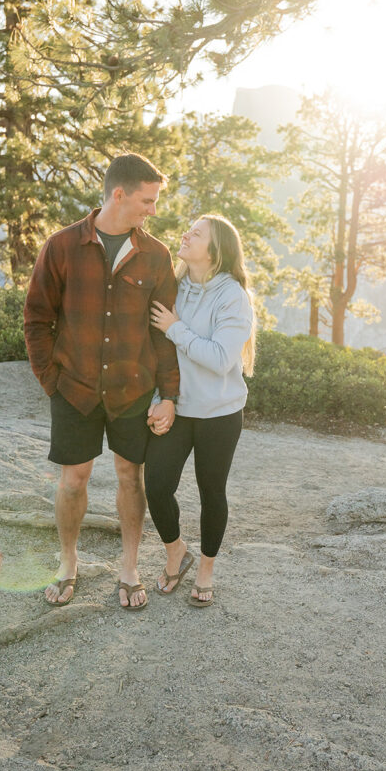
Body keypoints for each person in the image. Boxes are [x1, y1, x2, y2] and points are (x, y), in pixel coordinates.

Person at [23, 154, 180, 611]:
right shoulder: (62, 246)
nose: (152, 210)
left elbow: (163, 333)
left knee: (132, 477)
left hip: (133, 389)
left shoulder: (156, 256)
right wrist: (50, 380)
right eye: (147, 200)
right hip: (73, 389)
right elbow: (36, 319)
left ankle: (128, 568)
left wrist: (168, 394)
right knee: (74, 481)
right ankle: (67, 563)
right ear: (119, 194)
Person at [144, 214, 255, 607]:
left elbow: (223, 358)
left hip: (220, 413)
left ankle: (205, 569)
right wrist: (161, 396)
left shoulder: (232, 296)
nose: (186, 235)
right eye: (188, 229)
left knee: (212, 491)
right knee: (156, 485)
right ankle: (176, 552)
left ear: (216, 250)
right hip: (176, 407)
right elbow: (157, 351)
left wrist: (175, 328)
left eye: (197, 233)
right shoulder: (174, 287)